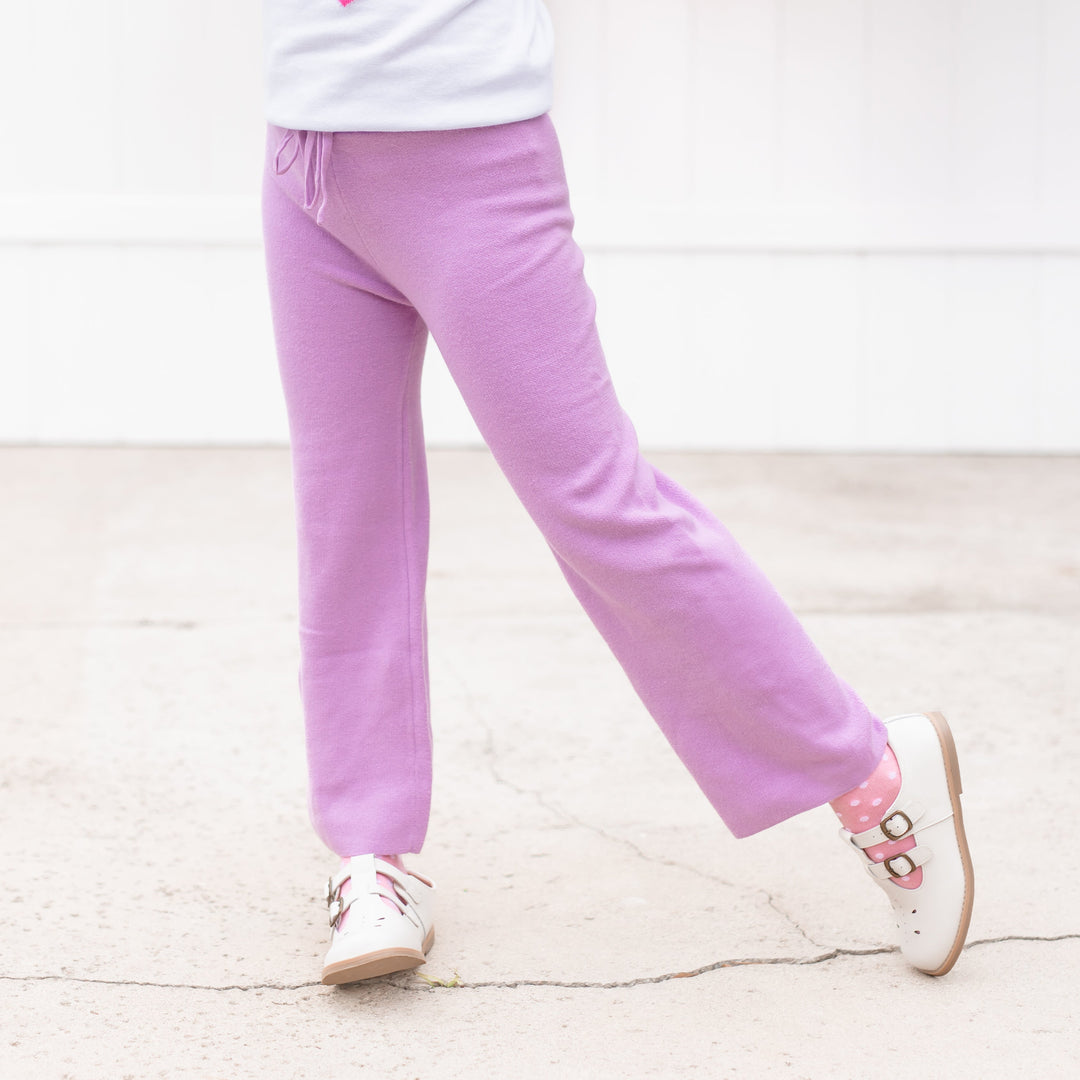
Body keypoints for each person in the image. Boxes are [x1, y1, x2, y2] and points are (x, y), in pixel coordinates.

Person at [260, 0, 974, 986]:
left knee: (597, 503)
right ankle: (371, 856)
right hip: (306, 161)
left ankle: (871, 773)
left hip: (472, 159)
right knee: (346, 517)